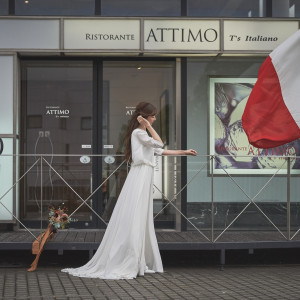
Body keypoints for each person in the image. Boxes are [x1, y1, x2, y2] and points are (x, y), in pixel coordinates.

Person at [61, 102, 197, 279]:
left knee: (141, 216)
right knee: (135, 215)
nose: (155, 119)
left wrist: (184, 152)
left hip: (143, 175)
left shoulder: (141, 134)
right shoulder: (139, 132)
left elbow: (160, 151)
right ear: (145, 117)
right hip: (140, 176)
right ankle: (129, 259)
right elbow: (159, 143)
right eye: (153, 116)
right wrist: (147, 126)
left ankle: (138, 260)